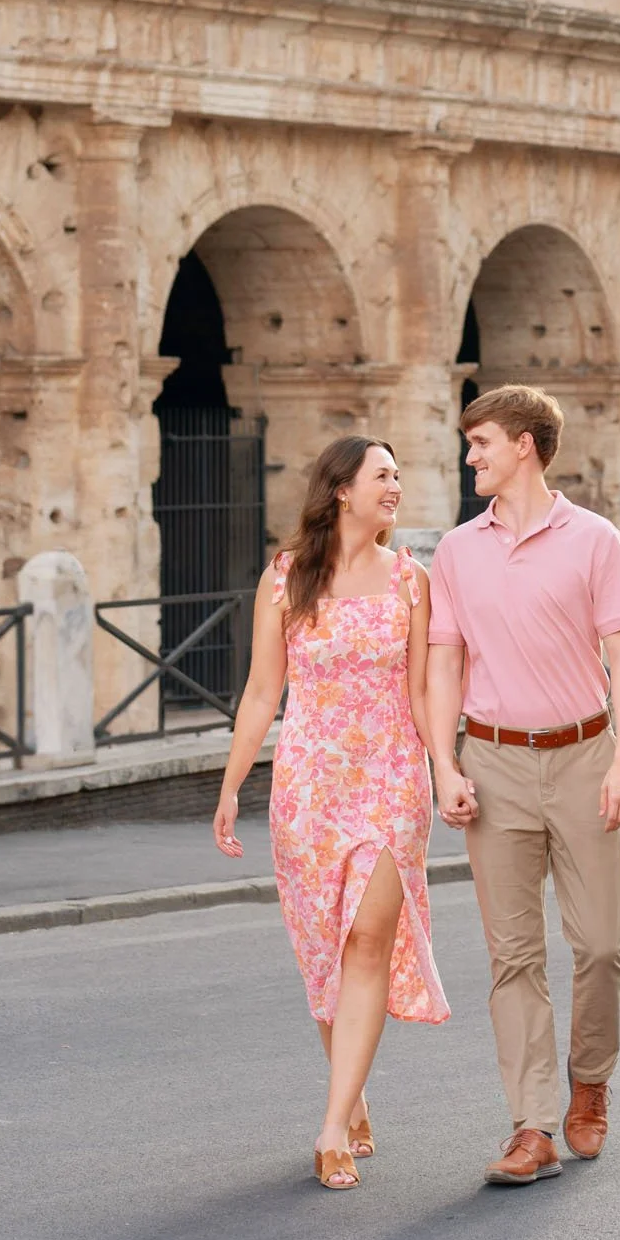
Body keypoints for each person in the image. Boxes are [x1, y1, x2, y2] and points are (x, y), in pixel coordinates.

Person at [426, 384, 620, 1187]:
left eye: (480, 442)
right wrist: (443, 764)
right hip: (492, 764)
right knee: (512, 956)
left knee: (597, 943)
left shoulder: (593, 539)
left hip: (586, 755)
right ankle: (532, 1125)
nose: (470, 457)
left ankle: (590, 1079)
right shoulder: (455, 551)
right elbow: (443, 664)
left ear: (524, 443)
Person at [213, 435, 448, 1191]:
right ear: (340, 489)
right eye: (383, 475)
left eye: (398, 476)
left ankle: (329, 1127)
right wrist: (230, 784)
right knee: (325, 951)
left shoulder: (412, 582)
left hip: (388, 781)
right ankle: (354, 1096)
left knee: (367, 945)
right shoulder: (286, 579)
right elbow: (260, 692)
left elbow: (419, 693)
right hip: (308, 786)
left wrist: (444, 768)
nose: (396, 487)